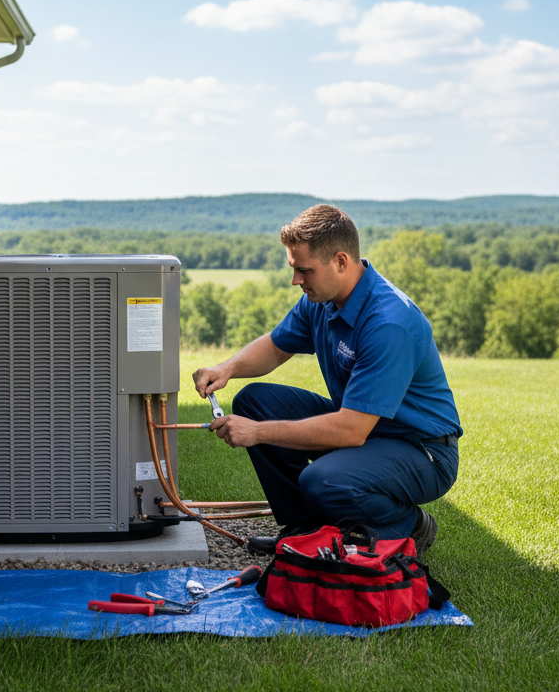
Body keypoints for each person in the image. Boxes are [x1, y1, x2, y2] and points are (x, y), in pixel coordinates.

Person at [192, 204, 462, 555]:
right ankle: (306, 529)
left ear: (340, 261)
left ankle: (409, 525)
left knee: (322, 481)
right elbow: (276, 346)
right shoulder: (322, 300)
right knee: (255, 401)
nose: (295, 281)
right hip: (367, 429)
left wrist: (256, 432)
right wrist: (226, 369)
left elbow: (350, 430)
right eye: (293, 269)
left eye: (304, 270)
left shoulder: (389, 323)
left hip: (420, 450)